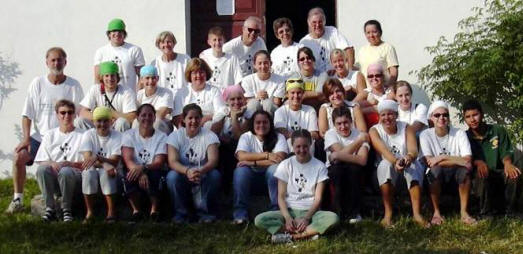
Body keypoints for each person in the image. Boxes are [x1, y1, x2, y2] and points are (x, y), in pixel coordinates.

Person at [7, 47, 84, 214]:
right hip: (41, 138)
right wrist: (26, 139)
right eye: (53, 60)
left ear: (66, 62)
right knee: (19, 157)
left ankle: (66, 201)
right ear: (47, 62)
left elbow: (81, 112)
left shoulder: (74, 85)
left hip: (64, 138)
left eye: (60, 60)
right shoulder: (38, 83)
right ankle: (17, 199)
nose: (56, 63)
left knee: (67, 169)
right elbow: (27, 114)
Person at [255, 129, 339, 243]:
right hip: (290, 210)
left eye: (305, 146)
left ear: (310, 144)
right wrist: (288, 218)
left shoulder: (320, 166)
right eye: (298, 146)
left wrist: (306, 218)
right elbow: (281, 196)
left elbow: (318, 198)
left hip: (311, 211)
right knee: (259, 220)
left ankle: (292, 237)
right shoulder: (285, 165)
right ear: (292, 146)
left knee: (333, 218)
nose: (302, 150)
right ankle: (308, 234)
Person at [369, 100, 427, 227]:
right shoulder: (374, 131)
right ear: (379, 117)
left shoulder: (407, 127)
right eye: (383, 115)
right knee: (385, 165)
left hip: (406, 171)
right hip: (384, 176)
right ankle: (388, 215)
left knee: (414, 165)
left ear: (396, 115)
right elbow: (383, 150)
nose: (387, 118)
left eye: (390, 114)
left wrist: (408, 157)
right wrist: (395, 161)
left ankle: (417, 214)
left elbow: (413, 150)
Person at [420, 100, 476, 225]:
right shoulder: (425, 135)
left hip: (455, 174)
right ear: (431, 118)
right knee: (435, 171)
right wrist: (457, 160)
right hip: (437, 175)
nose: (442, 118)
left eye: (445, 115)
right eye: (437, 115)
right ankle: (436, 212)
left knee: (465, 172)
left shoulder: (459, 133)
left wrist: (440, 157)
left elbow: (467, 160)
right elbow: (430, 162)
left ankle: (464, 212)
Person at [463, 99, 521, 215]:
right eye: (468, 117)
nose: (472, 119)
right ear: (464, 119)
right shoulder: (464, 137)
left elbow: (506, 152)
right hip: (478, 175)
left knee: (513, 174)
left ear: (482, 114)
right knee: (482, 175)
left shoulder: (498, 130)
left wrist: (508, 164)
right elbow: (464, 158)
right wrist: (477, 162)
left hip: (499, 171)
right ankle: (485, 213)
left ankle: (510, 212)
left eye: (475, 115)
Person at [166, 104, 221, 223]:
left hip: (203, 173)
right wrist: (187, 171)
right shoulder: (175, 136)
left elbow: (213, 160)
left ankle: (206, 214)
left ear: (201, 119)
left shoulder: (210, 136)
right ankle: (181, 214)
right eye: (190, 118)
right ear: (184, 119)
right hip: (183, 174)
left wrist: (200, 171)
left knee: (215, 175)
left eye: (197, 118)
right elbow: (172, 161)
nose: (194, 121)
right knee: (172, 177)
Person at [233, 110, 288, 224]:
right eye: (258, 122)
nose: (261, 125)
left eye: (265, 122)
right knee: (240, 171)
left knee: (275, 169)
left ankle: (275, 211)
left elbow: (279, 159)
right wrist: (266, 155)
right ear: (252, 124)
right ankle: (240, 214)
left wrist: (253, 162)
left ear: (270, 124)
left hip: (271, 181)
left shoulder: (279, 137)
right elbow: (241, 156)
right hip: (251, 180)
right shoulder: (246, 137)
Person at [35, 100, 85, 222]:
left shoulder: (84, 135)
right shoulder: (50, 135)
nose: (66, 116)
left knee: (66, 171)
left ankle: (66, 210)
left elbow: (87, 163)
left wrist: (70, 164)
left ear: (75, 115)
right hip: (55, 177)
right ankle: (49, 209)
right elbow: (41, 160)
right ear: (57, 115)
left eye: (70, 112)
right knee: (42, 169)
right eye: (63, 113)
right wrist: (53, 163)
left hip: (75, 178)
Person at [121, 104, 168, 223]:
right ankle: (136, 211)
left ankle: (154, 211)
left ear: (154, 118)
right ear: (137, 117)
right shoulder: (129, 135)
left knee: (156, 176)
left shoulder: (162, 136)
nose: (147, 118)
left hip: (153, 168)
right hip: (135, 168)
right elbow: (128, 159)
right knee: (129, 176)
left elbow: (159, 162)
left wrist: (143, 168)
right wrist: (140, 172)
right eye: (143, 115)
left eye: (150, 115)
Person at [324, 107, 369, 223]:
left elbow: (363, 160)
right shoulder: (330, 134)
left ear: (351, 122)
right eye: (339, 124)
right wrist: (358, 142)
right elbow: (342, 155)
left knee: (354, 170)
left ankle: (355, 213)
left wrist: (337, 156)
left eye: (345, 122)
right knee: (337, 171)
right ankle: (338, 212)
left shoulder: (360, 134)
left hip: (354, 168)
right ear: (334, 124)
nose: (343, 127)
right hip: (335, 168)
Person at [79, 106, 122, 223]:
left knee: (107, 173)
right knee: (88, 172)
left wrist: (98, 158)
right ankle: (90, 212)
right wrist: (104, 164)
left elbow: (115, 161)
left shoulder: (117, 136)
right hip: (98, 168)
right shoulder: (88, 135)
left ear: (111, 121)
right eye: (99, 121)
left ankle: (111, 212)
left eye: (105, 120)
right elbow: (88, 159)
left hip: (114, 171)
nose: (102, 124)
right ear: (93, 122)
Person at [211, 85, 250, 194]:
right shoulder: (222, 111)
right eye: (232, 99)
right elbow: (213, 134)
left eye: (239, 98)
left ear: (244, 99)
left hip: (240, 148)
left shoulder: (248, 114)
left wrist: (234, 117)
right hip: (222, 146)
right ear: (227, 101)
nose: (236, 102)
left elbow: (240, 137)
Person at [77, 61, 137, 132]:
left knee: (122, 122)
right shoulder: (95, 89)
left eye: (112, 75)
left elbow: (131, 117)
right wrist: (103, 116)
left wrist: (111, 113)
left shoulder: (126, 91)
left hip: (116, 127)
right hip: (98, 125)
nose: (110, 79)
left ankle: (119, 143)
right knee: (79, 121)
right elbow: (82, 112)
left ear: (117, 77)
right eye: (107, 76)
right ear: (102, 77)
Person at [94, 18, 145, 91]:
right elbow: (97, 77)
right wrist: (99, 95)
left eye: (120, 31)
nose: (117, 34)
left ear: (124, 34)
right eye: (114, 31)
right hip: (108, 96)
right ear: (109, 34)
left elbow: (142, 77)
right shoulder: (101, 51)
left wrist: (137, 94)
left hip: (129, 95)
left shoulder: (135, 50)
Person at [173, 58, 226, 128]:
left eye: (201, 72)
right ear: (190, 75)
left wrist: (206, 119)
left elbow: (221, 113)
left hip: (209, 128)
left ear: (206, 73)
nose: (198, 75)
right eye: (194, 73)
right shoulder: (181, 93)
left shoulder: (214, 91)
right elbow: (177, 118)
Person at [299, 7, 354, 72]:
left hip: (335, 76)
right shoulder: (304, 42)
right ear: (308, 23)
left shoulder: (332, 31)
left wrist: (350, 72)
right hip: (316, 78)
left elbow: (348, 50)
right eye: (314, 22)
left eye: (320, 22)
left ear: (324, 22)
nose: (317, 25)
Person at [274, 78, 319, 154]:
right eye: (292, 93)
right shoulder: (280, 111)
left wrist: (301, 140)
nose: (296, 96)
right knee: (288, 141)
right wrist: (299, 138)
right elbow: (280, 131)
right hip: (288, 146)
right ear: (287, 94)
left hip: (306, 145)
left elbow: (314, 133)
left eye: (299, 93)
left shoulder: (310, 110)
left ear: (303, 94)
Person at [356, 20, 399, 88]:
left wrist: (388, 88)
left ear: (380, 32)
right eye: (368, 33)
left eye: (374, 32)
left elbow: (393, 72)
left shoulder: (388, 48)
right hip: (366, 91)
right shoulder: (362, 50)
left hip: (383, 90)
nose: (371, 35)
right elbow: (357, 69)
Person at [241, 50, 285, 116]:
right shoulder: (247, 80)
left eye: (265, 63)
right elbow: (247, 101)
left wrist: (266, 99)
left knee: (268, 104)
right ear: (254, 65)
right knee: (254, 103)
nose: (263, 66)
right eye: (260, 63)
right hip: (254, 108)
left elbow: (277, 102)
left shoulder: (280, 80)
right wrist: (257, 98)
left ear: (271, 63)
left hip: (271, 110)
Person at [199, 26, 243, 91]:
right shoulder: (204, 57)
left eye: (220, 39)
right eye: (214, 40)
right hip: (209, 96)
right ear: (209, 42)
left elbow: (238, 80)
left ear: (224, 40)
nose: (217, 43)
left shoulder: (232, 58)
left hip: (227, 96)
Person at [135, 65, 174, 134]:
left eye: (153, 78)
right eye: (147, 78)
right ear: (141, 80)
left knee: (157, 122)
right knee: (135, 122)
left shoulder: (166, 93)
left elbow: (161, 114)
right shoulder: (139, 94)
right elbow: (135, 114)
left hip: (163, 125)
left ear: (157, 79)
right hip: (145, 123)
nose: (150, 81)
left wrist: (143, 115)